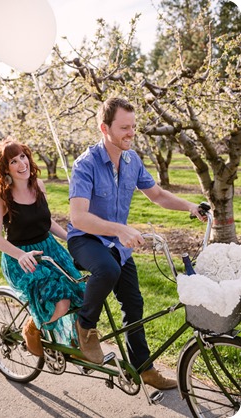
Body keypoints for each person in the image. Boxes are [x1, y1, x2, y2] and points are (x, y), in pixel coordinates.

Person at [67, 97, 205, 390]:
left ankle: (144, 369)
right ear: (105, 128)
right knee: (107, 270)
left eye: (133, 127)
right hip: (86, 240)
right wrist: (119, 229)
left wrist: (190, 206)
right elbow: (78, 218)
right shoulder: (86, 164)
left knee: (134, 304)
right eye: (124, 128)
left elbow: (156, 194)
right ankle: (86, 327)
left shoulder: (132, 160)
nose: (131, 133)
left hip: (118, 243)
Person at [0, 137, 85, 357]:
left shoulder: (38, 186)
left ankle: (74, 344)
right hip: (21, 257)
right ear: (5, 168)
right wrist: (21, 255)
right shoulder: (0, 195)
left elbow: (46, 222)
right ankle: (31, 328)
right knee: (61, 301)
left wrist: (71, 238)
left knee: (81, 293)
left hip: (49, 249)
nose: (22, 164)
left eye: (23, 157)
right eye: (13, 161)